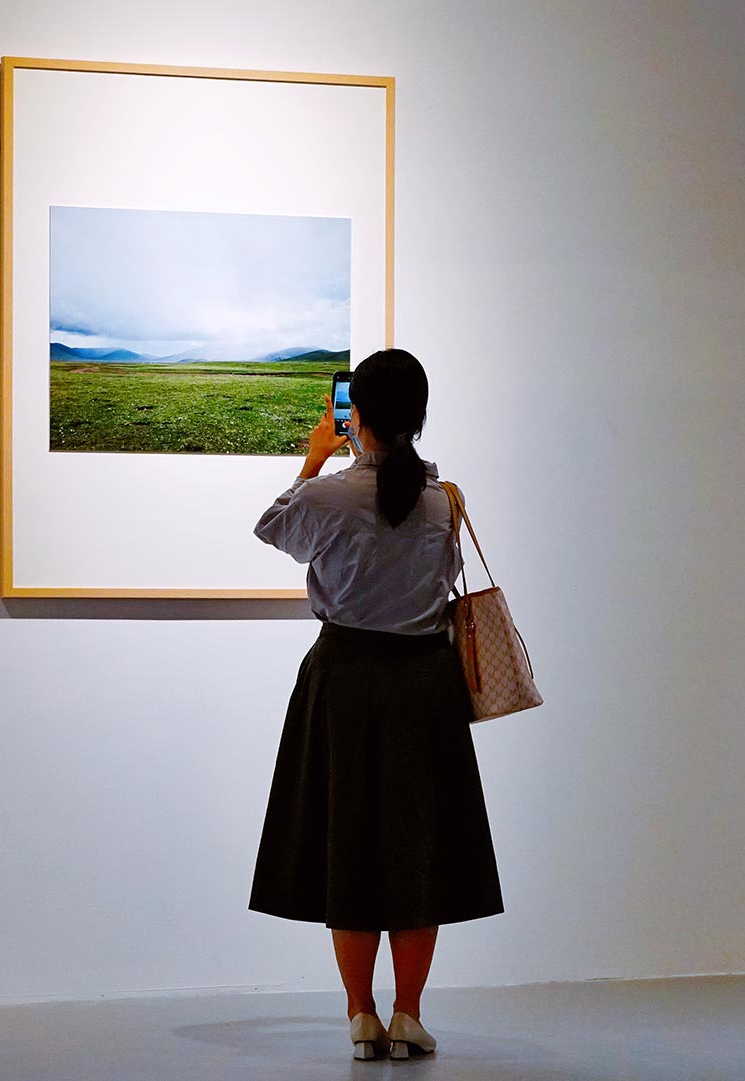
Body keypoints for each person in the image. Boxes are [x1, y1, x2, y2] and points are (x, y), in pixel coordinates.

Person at [248, 348, 503, 1062]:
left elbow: (272, 529)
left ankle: (361, 1014)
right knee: (419, 850)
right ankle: (408, 1013)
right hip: (424, 685)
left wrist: (313, 459)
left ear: (353, 415)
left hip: (345, 682)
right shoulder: (443, 500)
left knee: (349, 848)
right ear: (418, 417)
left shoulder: (328, 496)